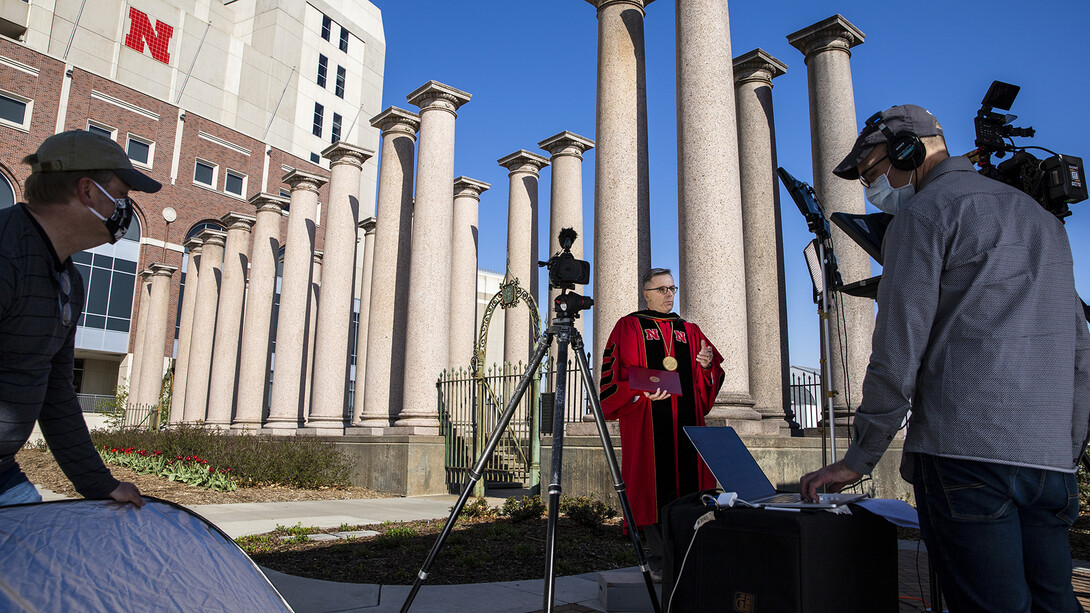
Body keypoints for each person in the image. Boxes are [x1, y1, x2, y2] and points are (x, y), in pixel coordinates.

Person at [800, 105, 1090, 612]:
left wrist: (858, 460)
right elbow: (1079, 350)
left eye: (873, 171)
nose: (875, 186)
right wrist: (1067, 449)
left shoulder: (922, 214)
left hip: (966, 460)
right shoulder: (1044, 221)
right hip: (1050, 467)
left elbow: (896, 353)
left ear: (907, 148)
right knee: (1056, 604)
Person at [0, 130, 160, 508]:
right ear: (87, 191)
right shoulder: (6, 255)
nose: (125, 210)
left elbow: (56, 390)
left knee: (38, 557)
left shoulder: (69, 280)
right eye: (120, 197)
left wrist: (97, 482)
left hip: (2, 470)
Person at [600, 268, 724, 576]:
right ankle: (658, 561)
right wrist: (638, 394)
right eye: (662, 289)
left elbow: (710, 378)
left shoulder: (690, 330)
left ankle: (687, 558)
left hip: (686, 425)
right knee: (649, 490)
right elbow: (611, 380)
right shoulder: (628, 327)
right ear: (646, 294)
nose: (669, 294)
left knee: (690, 490)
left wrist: (707, 367)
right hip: (646, 423)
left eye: (672, 288)